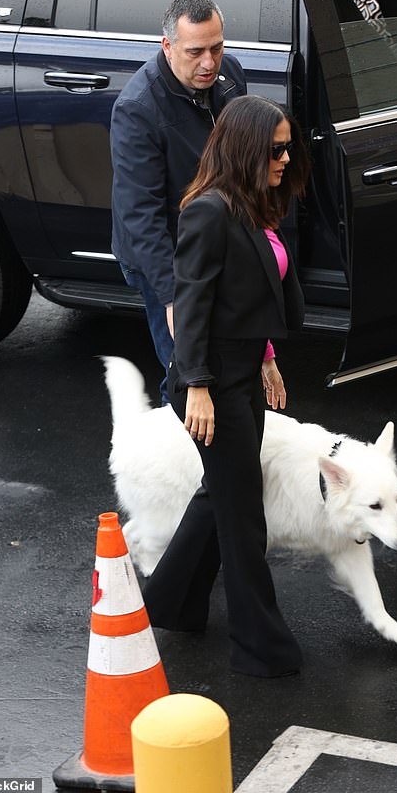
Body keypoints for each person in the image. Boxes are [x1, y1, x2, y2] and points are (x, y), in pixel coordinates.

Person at [142, 95, 310, 678]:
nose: (286, 158)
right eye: (276, 148)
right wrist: (197, 387)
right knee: (243, 515)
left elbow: (250, 297)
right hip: (210, 387)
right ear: (245, 149)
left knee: (223, 495)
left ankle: (169, 602)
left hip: (243, 375)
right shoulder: (208, 212)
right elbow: (191, 307)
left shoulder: (256, 203)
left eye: (289, 147)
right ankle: (260, 648)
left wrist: (266, 357)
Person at [110, 0, 246, 402]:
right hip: (166, 256)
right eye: (195, 51)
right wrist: (173, 297)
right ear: (167, 46)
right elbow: (142, 217)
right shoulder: (137, 109)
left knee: (229, 359)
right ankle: (182, 454)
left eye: (217, 47)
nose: (209, 62)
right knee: (188, 371)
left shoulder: (231, 74)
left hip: (216, 242)